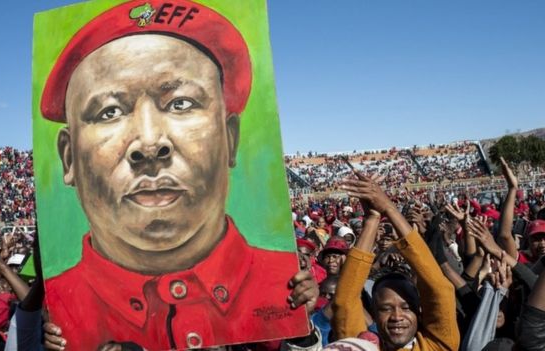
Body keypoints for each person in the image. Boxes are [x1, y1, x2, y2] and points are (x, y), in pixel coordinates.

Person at [38, 1, 314, 349]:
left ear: (230, 139)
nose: (150, 143)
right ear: (69, 158)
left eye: (180, 103)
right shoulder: (57, 315)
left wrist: (304, 332)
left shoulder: (284, 287)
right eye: (109, 111)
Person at [333, 172, 460, 351]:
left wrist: (389, 208)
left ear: (419, 311)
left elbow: (440, 289)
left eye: (406, 307)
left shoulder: (436, 346)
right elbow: (344, 301)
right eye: (385, 308)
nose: (397, 317)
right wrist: (372, 220)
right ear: (374, 316)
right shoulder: (361, 347)